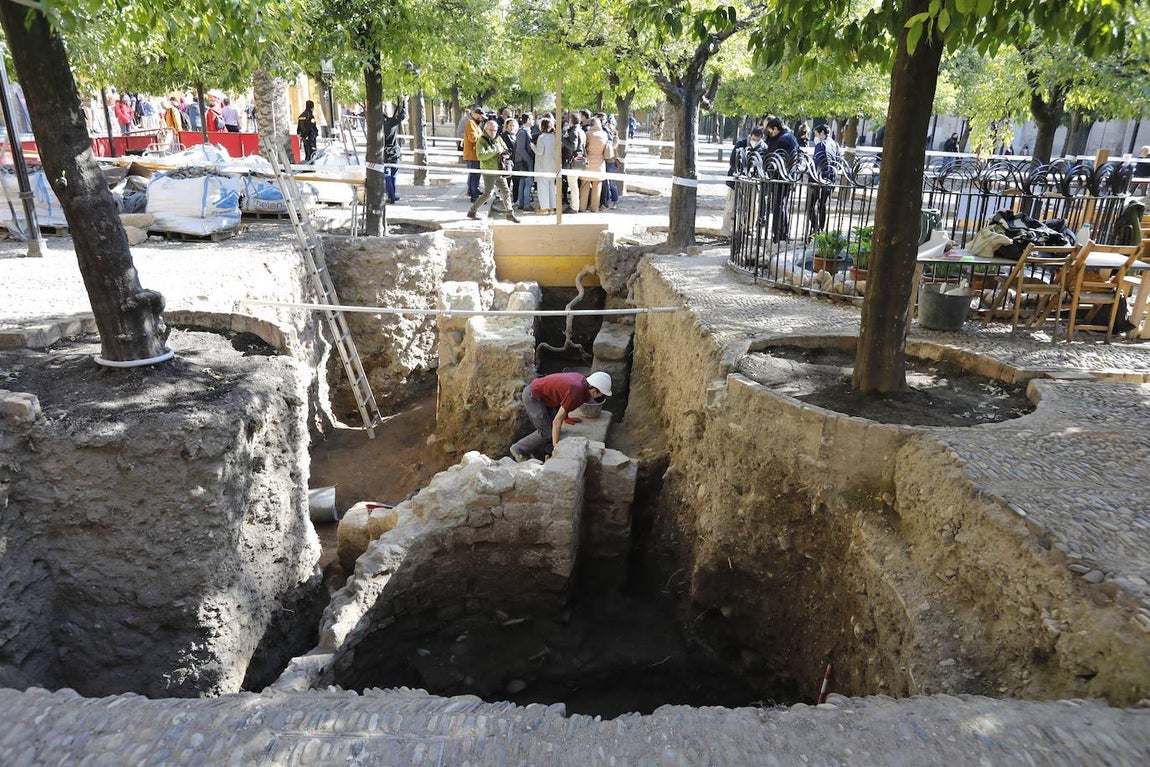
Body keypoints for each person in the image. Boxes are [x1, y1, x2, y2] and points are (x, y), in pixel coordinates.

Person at [509, 371, 612, 462]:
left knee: (552, 430)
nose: (600, 397)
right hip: (533, 396)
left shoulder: (582, 381)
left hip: (545, 397)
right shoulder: (577, 392)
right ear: (594, 391)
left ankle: (531, 450)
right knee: (547, 433)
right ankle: (519, 449)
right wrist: (556, 449)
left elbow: (563, 396)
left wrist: (566, 417)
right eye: (601, 395)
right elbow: (556, 421)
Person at [467, 119, 520, 223]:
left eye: (495, 130)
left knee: (506, 191)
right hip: (489, 171)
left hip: (499, 170)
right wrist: (495, 150)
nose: (493, 132)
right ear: (485, 129)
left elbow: (506, 150)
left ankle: (509, 213)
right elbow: (481, 156)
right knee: (488, 194)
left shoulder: (498, 138)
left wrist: (504, 153)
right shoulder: (481, 141)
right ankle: (472, 211)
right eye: (490, 130)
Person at [762, 115, 799, 243]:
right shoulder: (785, 136)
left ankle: (780, 235)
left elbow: (778, 161)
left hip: (782, 179)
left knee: (779, 206)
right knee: (779, 206)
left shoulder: (783, 140)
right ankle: (780, 234)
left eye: (770, 131)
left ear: (776, 128)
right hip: (784, 178)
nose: (769, 133)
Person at [723, 126, 764, 236]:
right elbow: (733, 161)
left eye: (758, 140)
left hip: (753, 182)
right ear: (750, 136)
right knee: (731, 206)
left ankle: (748, 229)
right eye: (754, 139)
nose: (755, 141)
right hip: (736, 181)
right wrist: (741, 173)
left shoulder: (763, 147)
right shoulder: (740, 144)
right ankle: (726, 232)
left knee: (752, 207)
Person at [807, 123, 842, 237]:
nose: (815, 137)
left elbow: (816, 163)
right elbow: (839, 163)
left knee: (811, 206)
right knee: (822, 206)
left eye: (816, 134)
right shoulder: (835, 145)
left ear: (821, 133)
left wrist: (812, 179)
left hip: (818, 180)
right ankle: (821, 229)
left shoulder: (821, 145)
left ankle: (815, 229)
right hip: (829, 180)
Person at [580, 117, 609, 212]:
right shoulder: (604, 135)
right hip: (600, 162)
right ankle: (594, 208)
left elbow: (583, 146)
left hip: (588, 162)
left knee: (584, 185)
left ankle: (582, 207)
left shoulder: (588, 134)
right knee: (597, 186)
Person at [382, 97, 408, 204]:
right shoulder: (391, 122)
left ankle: (391, 194)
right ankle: (392, 195)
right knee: (392, 174)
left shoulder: (378, 125)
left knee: (387, 174)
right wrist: (404, 103)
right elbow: (403, 115)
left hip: (385, 153)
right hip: (394, 152)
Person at [532, 116, 557, 213]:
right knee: (551, 187)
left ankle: (544, 208)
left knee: (543, 188)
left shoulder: (541, 137)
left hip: (543, 166)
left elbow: (539, 152)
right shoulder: (554, 137)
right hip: (552, 165)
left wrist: (533, 146)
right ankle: (552, 207)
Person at [462, 106, 485, 203]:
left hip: (475, 155)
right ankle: (474, 194)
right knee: (474, 175)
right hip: (472, 155)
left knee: (475, 175)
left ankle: (474, 191)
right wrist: (483, 139)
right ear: (476, 114)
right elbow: (473, 138)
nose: (482, 119)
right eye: (481, 116)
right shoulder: (471, 123)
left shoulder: (475, 124)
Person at [513, 113, 536, 211]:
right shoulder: (522, 132)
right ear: (528, 120)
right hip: (525, 162)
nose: (533, 121)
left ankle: (521, 202)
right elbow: (521, 149)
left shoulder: (525, 131)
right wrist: (529, 160)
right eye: (532, 119)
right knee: (528, 183)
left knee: (523, 182)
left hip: (524, 161)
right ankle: (526, 204)